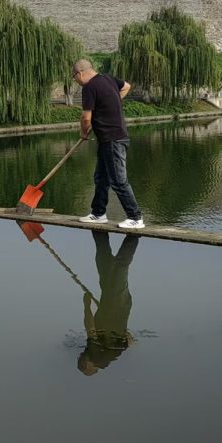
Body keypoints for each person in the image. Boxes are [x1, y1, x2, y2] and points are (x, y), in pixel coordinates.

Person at [71, 58, 145, 229]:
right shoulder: (108, 79)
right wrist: (110, 103)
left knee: (119, 180)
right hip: (109, 139)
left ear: (80, 73)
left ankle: (135, 217)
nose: (76, 81)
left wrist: (83, 133)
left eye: (74, 77)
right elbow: (126, 86)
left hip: (113, 139)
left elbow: (85, 117)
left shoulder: (89, 87)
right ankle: (98, 213)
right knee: (101, 178)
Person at [78, 231, 139, 376]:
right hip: (116, 303)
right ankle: (134, 235)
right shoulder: (96, 355)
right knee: (118, 267)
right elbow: (90, 328)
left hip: (114, 303)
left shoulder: (109, 355)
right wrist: (87, 305)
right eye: (82, 361)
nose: (81, 356)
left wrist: (121, 330)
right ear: (88, 365)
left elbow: (131, 342)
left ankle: (99, 229)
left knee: (104, 261)